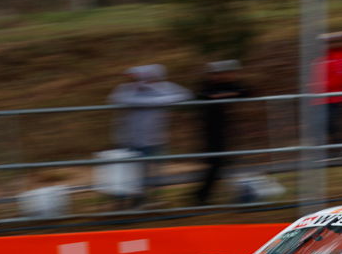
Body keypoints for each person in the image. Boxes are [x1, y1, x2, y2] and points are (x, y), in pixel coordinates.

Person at [108, 64, 191, 208]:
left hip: (154, 139)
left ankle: (141, 200)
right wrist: (157, 100)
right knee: (125, 171)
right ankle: (121, 202)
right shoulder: (126, 89)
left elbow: (186, 95)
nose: (144, 82)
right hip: (128, 139)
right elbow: (119, 99)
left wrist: (159, 97)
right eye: (139, 78)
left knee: (149, 171)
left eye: (151, 78)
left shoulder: (164, 88)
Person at [194, 60, 252, 205]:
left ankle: (205, 195)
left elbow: (246, 91)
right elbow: (205, 96)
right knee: (216, 163)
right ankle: (201, 196)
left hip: (224, 129)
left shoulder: (226, 85)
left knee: (221, 163)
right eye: (215, 74)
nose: (219, 76)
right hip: (210, 130)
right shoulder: (206, 86)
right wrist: (228, 94)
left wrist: (226, 94)